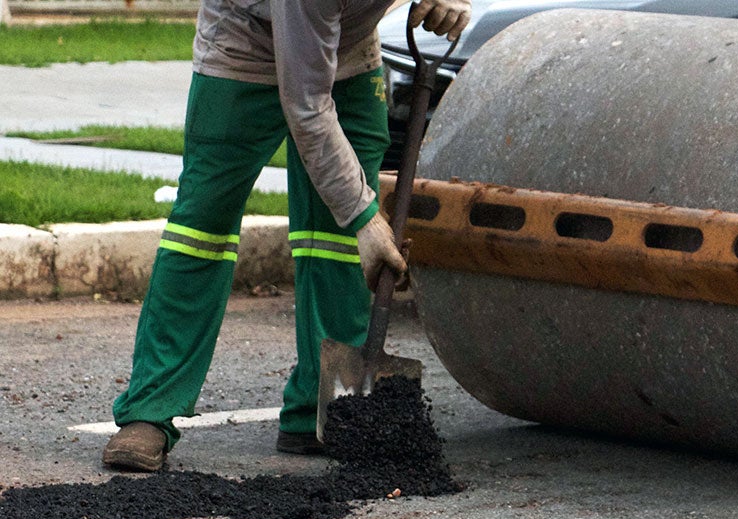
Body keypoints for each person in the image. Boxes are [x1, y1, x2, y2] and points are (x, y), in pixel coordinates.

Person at [102, 0, 471, 471]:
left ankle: (322, 408)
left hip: (348, 47)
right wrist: (364, 217)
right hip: (244, 41)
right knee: (202, 231)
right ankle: (148, 414)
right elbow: (306, 106)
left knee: (338, 239)